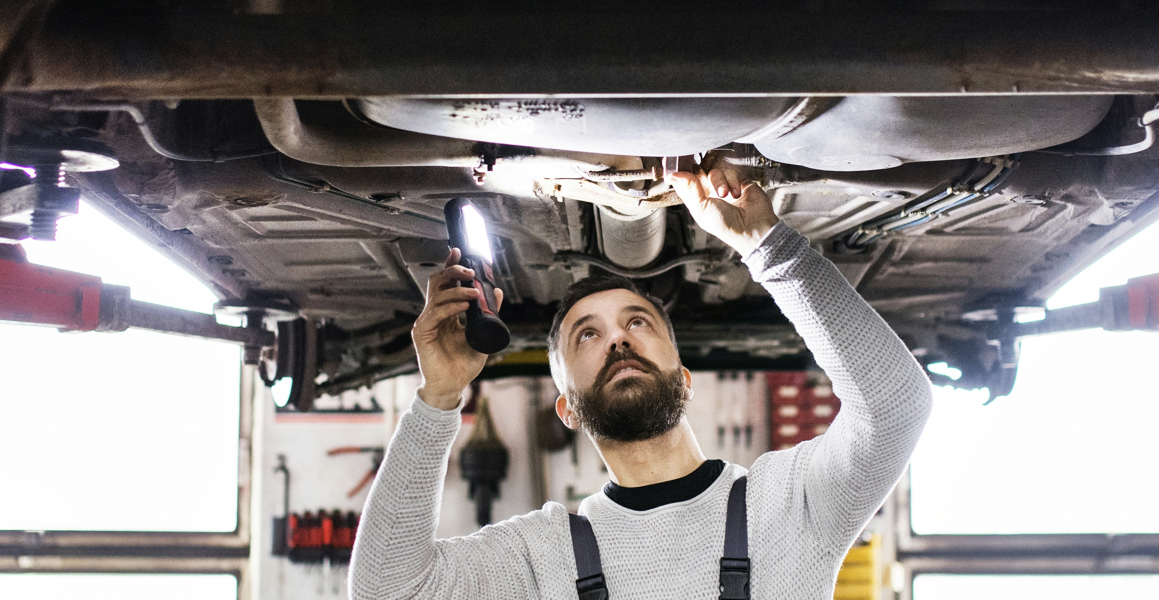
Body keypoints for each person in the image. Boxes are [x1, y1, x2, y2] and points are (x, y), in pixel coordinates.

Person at [350, 162, 935, 600]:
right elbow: (386, 591)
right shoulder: (542, 558)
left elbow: (896, 407)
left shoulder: (788, 507)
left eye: (637, 323)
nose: (618, 340)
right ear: (568, 411)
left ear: (685, 379)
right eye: (587, 334)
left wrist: (769, 246)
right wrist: (439, 397)